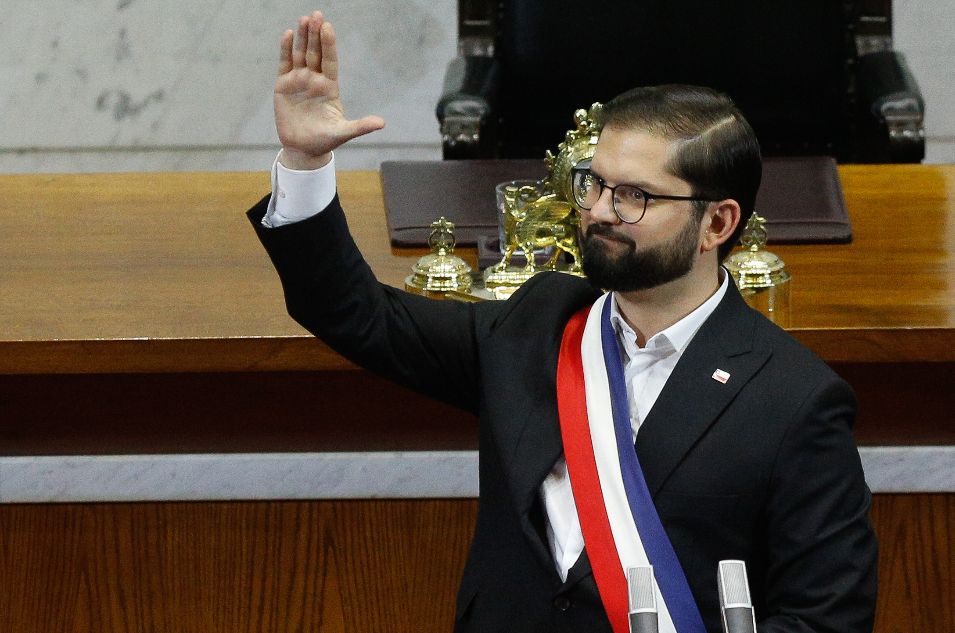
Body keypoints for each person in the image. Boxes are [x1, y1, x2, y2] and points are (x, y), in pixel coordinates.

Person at [250, 11, 877, 633]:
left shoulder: (793, 399)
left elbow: (826, 618)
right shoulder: (537, 326)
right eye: (593, 184)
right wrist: (303, 162)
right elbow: (353, 311)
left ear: (717, 223)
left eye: (635, 196)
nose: (599, 212)